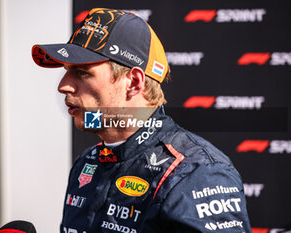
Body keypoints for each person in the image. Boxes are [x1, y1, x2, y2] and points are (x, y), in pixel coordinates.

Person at [32, 8, 252, 233]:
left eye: (83, 72)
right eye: (67, 71)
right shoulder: (87, 163)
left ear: (134, 82)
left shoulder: (197, 172)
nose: (63, 86)